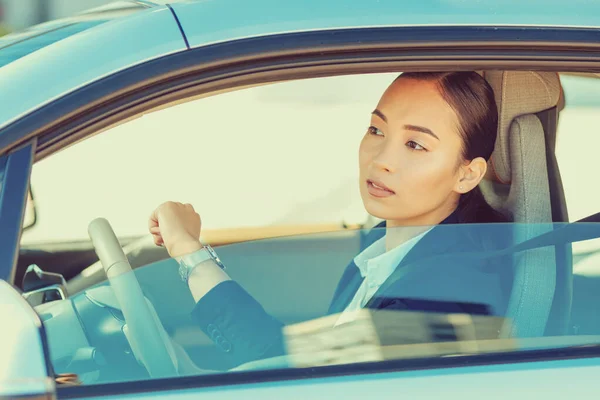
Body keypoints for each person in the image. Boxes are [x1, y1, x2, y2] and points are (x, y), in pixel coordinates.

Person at [148, 71, 511, 367]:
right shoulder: (383, 250)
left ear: (466, 174)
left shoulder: (448, 290)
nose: (381, 158)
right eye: (376, 130)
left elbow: (286, 366)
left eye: (415, 144)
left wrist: (190, 253)